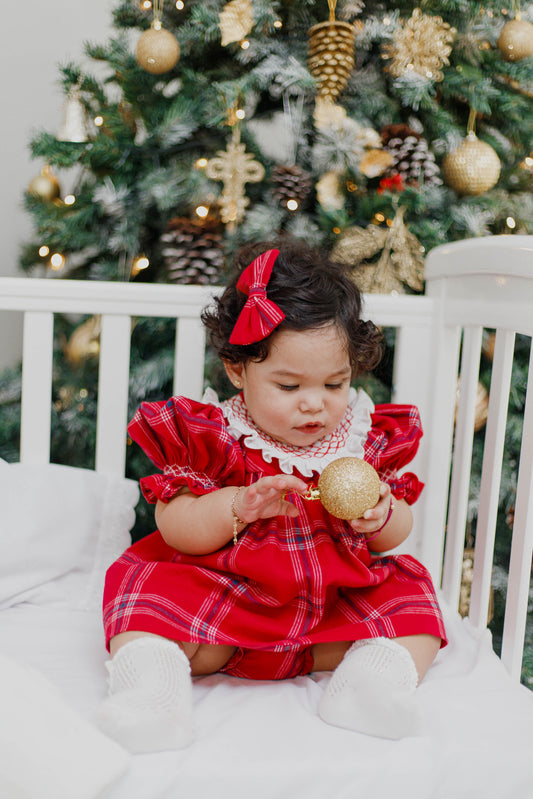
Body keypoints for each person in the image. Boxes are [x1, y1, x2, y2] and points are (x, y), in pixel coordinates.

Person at [98, 239, 446, 753]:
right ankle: (152, 692)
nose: (315, 405)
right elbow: (175, 526)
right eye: (289, 387)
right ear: (238, 369)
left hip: (328, 616)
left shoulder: (363, 440)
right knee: (143, 598)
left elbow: (395, 532)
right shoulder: (215, 436)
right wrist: (236, 505)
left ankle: (371, 685)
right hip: (224, 611)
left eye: (335, 384)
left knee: (414, 601)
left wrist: (382, 512)